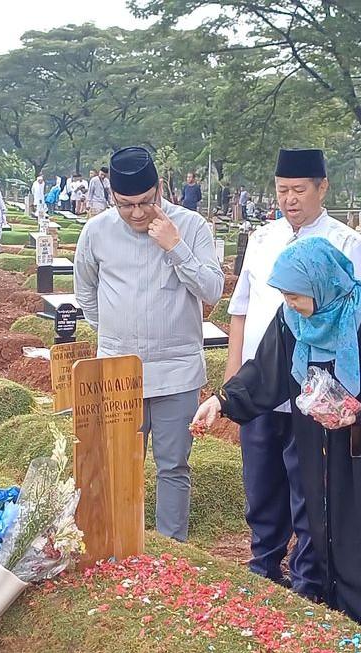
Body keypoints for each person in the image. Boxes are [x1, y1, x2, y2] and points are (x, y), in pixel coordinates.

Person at [194, 237, 361, 644]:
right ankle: (340, 608)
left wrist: (355, 411)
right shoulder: (292, 320)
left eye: (296, 295)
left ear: (321, 284)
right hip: (322, 442)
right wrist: (221, 400)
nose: (291, 303)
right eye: (285, 295)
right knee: (327, 519)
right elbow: (266, 370)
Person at [224, 148, 361, 600]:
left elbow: (357, 317)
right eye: (282, 189)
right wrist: (234, 382)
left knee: (309, 488)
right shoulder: (262, 238)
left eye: (299, 190)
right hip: (261, 387)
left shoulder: (345, 242)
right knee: (261, 481)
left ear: (322, 188)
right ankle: (263, 564)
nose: (290, 199)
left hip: (315, 393)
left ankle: (309, 580)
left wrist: (342, 394)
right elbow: (241, 310)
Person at [73, 146, 223, 542]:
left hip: (177, 372)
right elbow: (86, 291)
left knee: (173, 466)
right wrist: (112, 336)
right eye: (126, 205)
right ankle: (121, 543)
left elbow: (212, 289)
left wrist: (175, 246)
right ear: (112, 197)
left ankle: (172, 549)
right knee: (120, 464)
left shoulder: (189, 226)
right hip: (119, 372)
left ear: (159, 189)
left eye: (145, 202)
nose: (138, 213)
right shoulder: (97, 231)